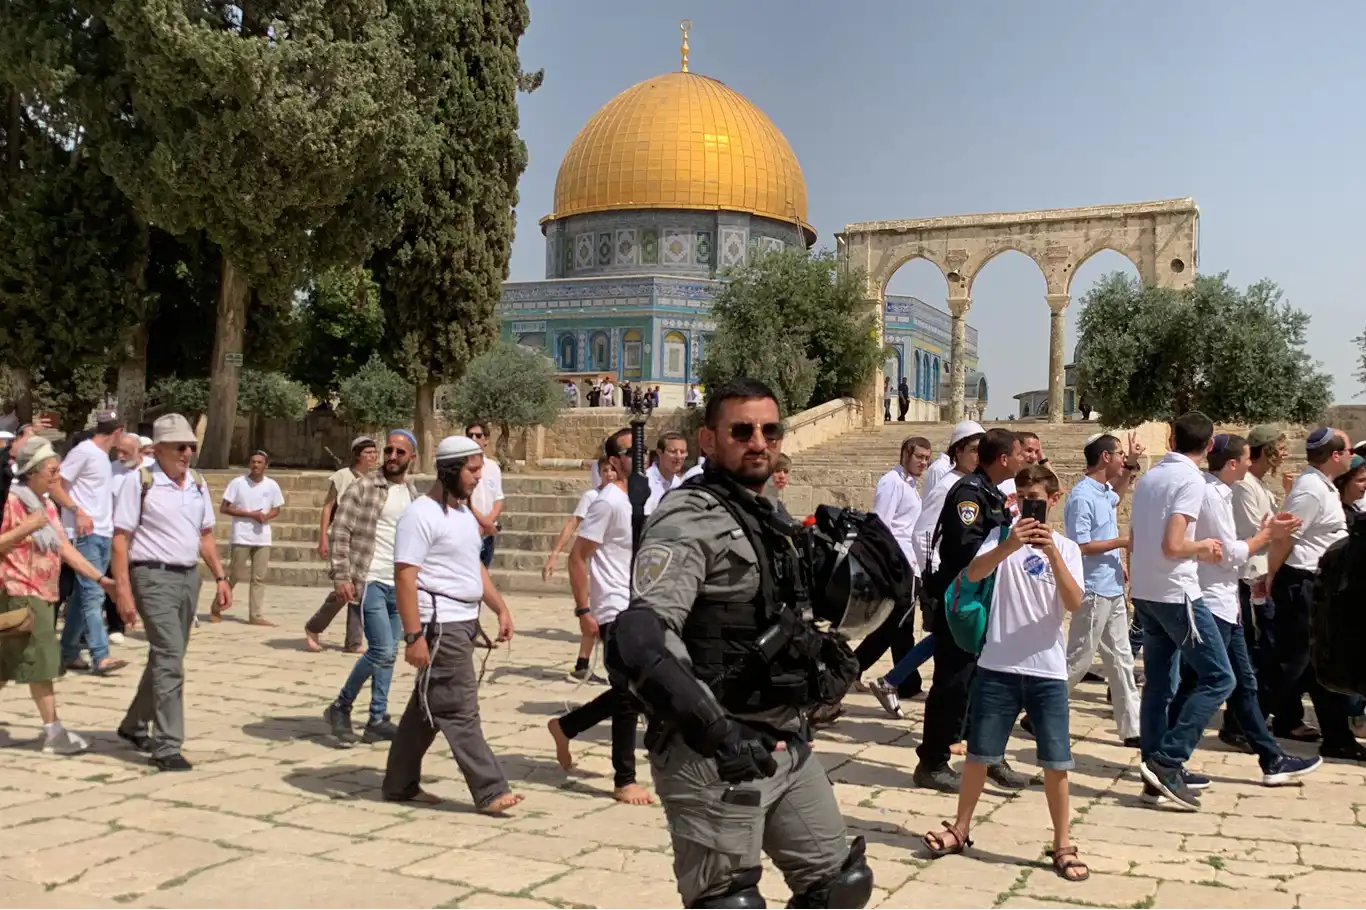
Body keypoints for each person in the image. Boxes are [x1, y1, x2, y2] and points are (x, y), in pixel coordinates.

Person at [606, 377, 882, 908]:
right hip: (714, 753)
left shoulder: (767, 513)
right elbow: (642, 635)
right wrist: (717, 731)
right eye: (742, 430)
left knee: (839, 888)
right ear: (709, 441)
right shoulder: (689, 518)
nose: (758, 441)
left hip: (783, 738)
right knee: (729, 903)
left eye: (769, 430)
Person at [922, 465, 1088, 881]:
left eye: (1036, 498)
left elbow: (1072, 602)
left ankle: (1063, 842)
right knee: (979, 755)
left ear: (1053, 500)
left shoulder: (1066, 549)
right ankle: (961, 828)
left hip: (1046, 670)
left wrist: (1049, 552)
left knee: (1056, 761)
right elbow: (972, 575)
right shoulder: (998, 539)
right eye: (1021, 497)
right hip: (997, 664)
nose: (1027, 504)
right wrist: (1008, 546)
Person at [1161, 434, 1321, 792]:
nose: (1251, 464)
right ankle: (1166, 758)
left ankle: (1271, 758)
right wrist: (1268, 535)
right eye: (1247, 458)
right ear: (1232, 463)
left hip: (1224, 600)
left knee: (1240, 682)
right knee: (1210, 681)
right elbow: (1227, 552)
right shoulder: (1211, 496)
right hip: (1211, 601)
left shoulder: (1220, 492)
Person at [380, 435, 522, 814]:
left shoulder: (462, 515)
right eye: (473, 470)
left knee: (427, 708)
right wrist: (413, 637)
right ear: (449, 470)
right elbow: (405, 576)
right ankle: (491, 790)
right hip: (439, 626)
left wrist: (499, 608)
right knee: (459, 708)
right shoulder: (420, 515)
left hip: (463, 621)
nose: (479, 477)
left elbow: (472, 567)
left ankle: (399, 784)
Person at [112, 413, 232, 772]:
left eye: (190, 446)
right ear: (158, 449)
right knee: (169, 657)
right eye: (180, 446)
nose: (187, 453)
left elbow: (205, 535)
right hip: (151, 576)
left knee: (169, 655)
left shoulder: (196, 483)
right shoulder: (140, 482)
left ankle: (134, 723)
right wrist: (123, 592)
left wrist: (221, 577)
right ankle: (167, 744)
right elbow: (121, 540)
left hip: (187, 578)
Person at [914, 428, 1028, 793]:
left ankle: (989, 755)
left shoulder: (993, 494)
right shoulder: (969, 494)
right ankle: (931, 762)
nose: (1026, 458)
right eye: (1020, 452)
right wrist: (1007, 547)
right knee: (953, 684)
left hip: (988, 601)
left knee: (988, 685)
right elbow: (966, 553)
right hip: (963, 602)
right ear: (1003, 458)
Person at [547, 428, 654, 806]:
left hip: (641, 603)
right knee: (627, 695)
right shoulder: (607, 502)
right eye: (630, 450)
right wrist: (583, 610)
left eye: (643, 448)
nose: (639, 455)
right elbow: (579, 557)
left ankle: (567, 726)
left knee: (638, 690)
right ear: (614, 461)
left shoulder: (642, 497)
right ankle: (624, 779)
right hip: (612, 605)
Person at [1129, 411, 1230, 811]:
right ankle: (1169, 760)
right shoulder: (1190, 480)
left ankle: (1153, 774)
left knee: (1158, 684)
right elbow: (1173, 545)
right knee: (1219, 677)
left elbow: (1138, 537)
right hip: (1177, 593)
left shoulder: (1152, 476)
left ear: (1170, 438)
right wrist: (1204, 547)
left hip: (1147, 591)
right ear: (1209, 445)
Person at [0, 437, 119, 754]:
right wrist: (26, 527)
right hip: (19, 592)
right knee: (42, 662)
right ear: (34, 471)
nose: (58, 475)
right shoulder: (11, 502)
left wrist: (100, 579)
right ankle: (54, 733)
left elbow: (65, 549)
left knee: (6, 664)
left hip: (41, 593)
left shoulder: (46, 505)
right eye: (52, 470)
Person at [1264, 428, 1363, 762]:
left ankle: (1337, 737)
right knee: (1293, 663)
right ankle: (1241, 720)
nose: (1352, 455)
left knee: (1320, 663)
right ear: (1335, 455)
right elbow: (1285, 537)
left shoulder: (1322, 487)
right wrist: (1271, 576)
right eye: (1348, 450)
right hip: (1300, 581)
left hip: (1317, 583)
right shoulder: (1309, 490)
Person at [323, 430, 420, 746]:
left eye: (399, 452)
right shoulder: (364, 486)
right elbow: (340, 531)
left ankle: (377, 717)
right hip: (372, 579)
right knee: (382, 649)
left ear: (411, 457)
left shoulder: (412, 493)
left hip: (400, 585)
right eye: (388, 451)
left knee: (390, 655)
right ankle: (341, 706)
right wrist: (341, 576)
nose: (392, 456)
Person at [1057, 433, 1142, 748]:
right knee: (1079, 658)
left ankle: (1132, 728)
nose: (1122, 459)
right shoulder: (1081, 497)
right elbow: (1080, 545)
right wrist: (1122, 543)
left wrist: (1131, 462)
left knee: (1121, 658)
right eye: (1119, 453)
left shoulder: (1103, 492)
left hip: (1113, 586)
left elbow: (1116, 495)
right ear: (1105, 457)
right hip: (1092, 589)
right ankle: (1040, 709)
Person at [1225, 424, 1289, 747]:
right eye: (1279, 447)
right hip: (1249, 577)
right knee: (1250, 654)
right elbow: (1258, 533)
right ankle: (1238, 723)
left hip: (1261, 575)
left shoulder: (1261, 485)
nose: (1285, 453)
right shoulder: (1245, 487)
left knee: (1260, 652)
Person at [51, 411, 125, 675]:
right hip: (85, 534)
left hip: (103, 532)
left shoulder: (104, 458)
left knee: (84, 595)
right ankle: (100, 655)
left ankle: (68, 652)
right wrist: (77, 510)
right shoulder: (83, 451)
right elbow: (55, 484)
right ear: (118, 431)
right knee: (93, 594)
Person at [863, 436, 933, 716]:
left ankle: (905, 683)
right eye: (919, 457)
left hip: (910, 565)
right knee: (894, 626)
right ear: (906, 453)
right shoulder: (891, 482)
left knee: (899, 627)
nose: (923, 463)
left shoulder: (910, 486)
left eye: (927, 458)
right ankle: (894, 680)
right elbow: (880, 524)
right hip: (897, 566)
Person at [544, 454, 618, 683]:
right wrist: (555, 554)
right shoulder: (593, 497)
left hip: (615, 567)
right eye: (605, 471)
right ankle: (589, 664)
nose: (609, 475)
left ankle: (583, 663)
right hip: (595, 566)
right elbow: (572, 523)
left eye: (612, 470)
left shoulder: (622, 498)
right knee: (595, 615)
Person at [305, 436, 378, 653]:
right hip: (342, 536)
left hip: (363, 539)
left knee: (359, 589)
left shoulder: (374, 479)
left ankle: (353, 640)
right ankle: (314, 626)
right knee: (345, 589)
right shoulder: (342, 476)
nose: (373, 456)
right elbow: (328, 507)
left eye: (375, 452)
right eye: (368, 453)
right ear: (358, 455)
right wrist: (323, 538)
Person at [219, 451, 284, 626]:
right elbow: (224, 508)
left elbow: (277, 509)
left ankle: (255, 615)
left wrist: (266, 516)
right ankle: (217, 606)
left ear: (266, 465)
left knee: (259, 577)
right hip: (242, 535)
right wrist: (249, 514)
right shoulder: (238, 483)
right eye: (253, 462)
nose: (256, 465)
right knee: (235, 574)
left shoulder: (272, 485)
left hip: (262, 537)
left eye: (259, 462)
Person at [465, 423, 504, 570]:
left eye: (478, 435)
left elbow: (499, 498)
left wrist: (489, 521)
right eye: (470, 436)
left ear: (486, 440)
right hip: (469, 532)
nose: (473, 439)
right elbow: (462, 500)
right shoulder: (461, 467)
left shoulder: (493, 467)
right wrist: (483, 523)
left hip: (487, 535)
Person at [922, 420, 983, 506]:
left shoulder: (979, 483)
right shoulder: (946, 488)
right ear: (958, 451)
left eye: (982, 449)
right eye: (974, 450)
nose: (980, 455)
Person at [646, 431, 688, 514]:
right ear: (659, 453)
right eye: (673, 451)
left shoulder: (679, 483)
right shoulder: (646, 483)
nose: (679, 457)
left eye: (682, 452)